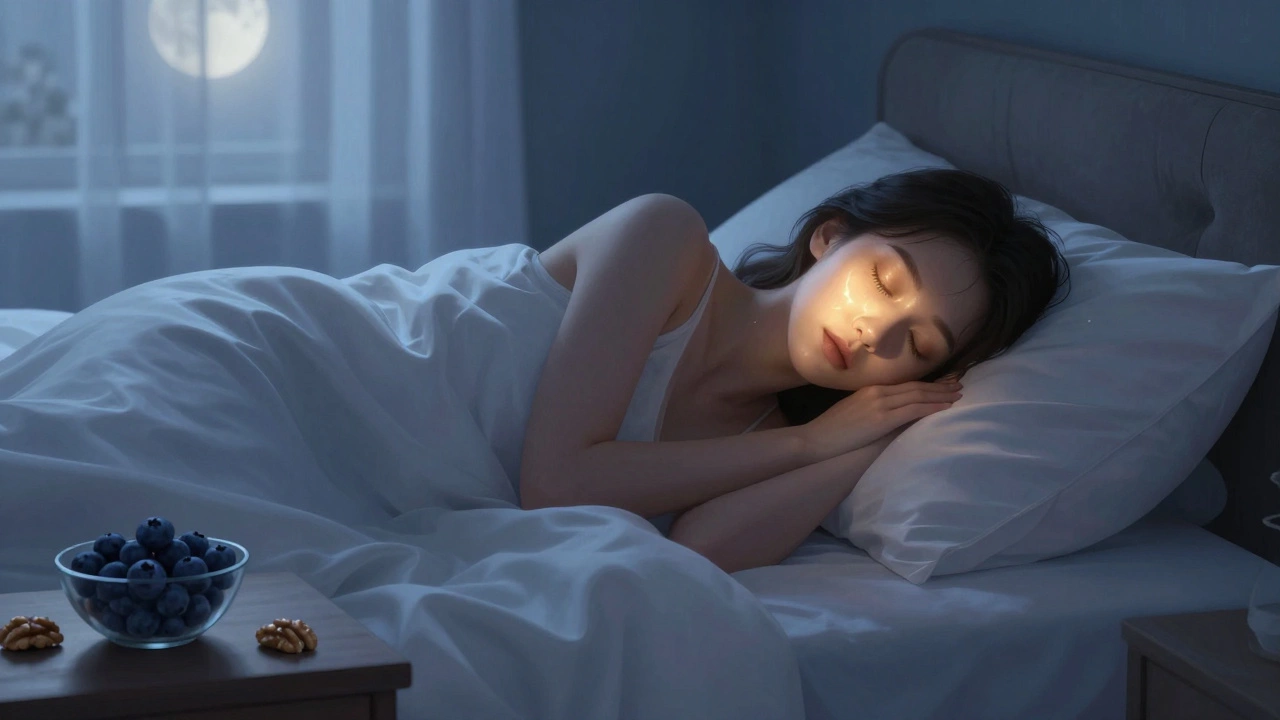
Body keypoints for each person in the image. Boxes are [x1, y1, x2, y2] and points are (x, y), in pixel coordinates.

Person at [520, 168, 1070, 573]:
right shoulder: (664, 236)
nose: (875, 335)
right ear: (829, 237)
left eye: (920, 344)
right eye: (884, 282)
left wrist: (879, 433)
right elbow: (554, 486)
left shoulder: (772, 439)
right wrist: (810, 442)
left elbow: (697, 553)